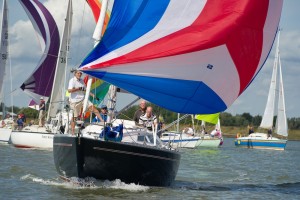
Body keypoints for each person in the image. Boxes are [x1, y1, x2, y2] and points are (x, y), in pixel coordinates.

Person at [68, 70, 103, 134]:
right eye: (78, 73)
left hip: (83, 99)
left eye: (80, 73)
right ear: (75, 74)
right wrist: (78, 89)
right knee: (74, 117)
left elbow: (86, 90)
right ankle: (72, 132)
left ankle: (102, 121)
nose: (79, 74)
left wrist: (93, 96)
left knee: (93, 108)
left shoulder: (82, 81)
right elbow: (69, 91)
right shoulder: (72, 80)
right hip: (74, 101)